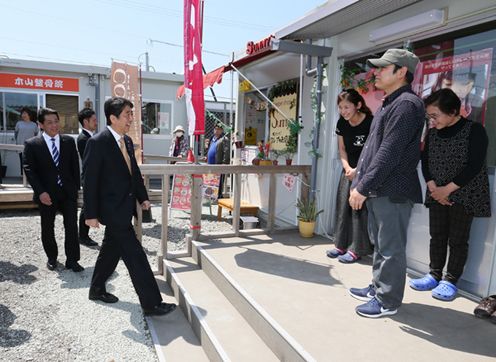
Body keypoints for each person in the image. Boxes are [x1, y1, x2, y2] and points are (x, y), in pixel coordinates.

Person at [348, 49, 425, 318]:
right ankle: (378, 287)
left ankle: (388, 301)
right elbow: (374, 148)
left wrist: (362, 186)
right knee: (381, 244)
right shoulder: (391, 102)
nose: (376, 72)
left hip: (393, 191)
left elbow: (389, 153)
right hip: (381, 189)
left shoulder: (406, 105)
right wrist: (361, 177)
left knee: (391, 247)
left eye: (383, 68)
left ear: (401, 72)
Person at [83, 97, 176, 316]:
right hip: (111, 210)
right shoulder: (98, 142)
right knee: (136, 256)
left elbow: (133, 172)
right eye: (127, 114)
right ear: (113, 118)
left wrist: (143, 197)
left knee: (110, 251)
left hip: (125, 207)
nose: (131, 119)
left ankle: (96, 289)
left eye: (131, 114)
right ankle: (151, 303)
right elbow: (89, 180)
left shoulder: (125, 141)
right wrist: (91, 214)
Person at [409, 88, 490, 301]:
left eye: (435, 115)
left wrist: (447, 189)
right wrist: (434, 187)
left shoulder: (475, 130)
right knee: (437, 236)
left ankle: (450, 280)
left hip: (464, 195)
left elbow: (474, 165)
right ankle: (434, 274)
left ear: (453, 111)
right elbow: (425, 161)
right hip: (436, 192)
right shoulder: (433, 133)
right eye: (430, 116)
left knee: (458, 240)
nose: (432, 120)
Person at [23, 108, 83, 272]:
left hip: (67, 192)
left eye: (56, 121)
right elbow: (29, 170)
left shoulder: (68, 141)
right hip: (46, 194)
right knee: (47, 227)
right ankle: (52, 257)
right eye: (49, 122)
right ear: (41, 124)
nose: (54, 125)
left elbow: (74, 167)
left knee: (71, 225)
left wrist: (76, 189)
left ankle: (72, 260)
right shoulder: (32, 144)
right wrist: (40, 191)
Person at [327, 89, 373, 264]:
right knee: (342, 207)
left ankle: (357, 249)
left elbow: (373, 152)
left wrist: (358, 170)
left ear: (358, 105)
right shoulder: (342, 123)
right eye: (340, 107)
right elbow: (342, 149)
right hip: (348, 170)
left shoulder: (371, 122)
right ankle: (340, 245)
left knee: (358, 210)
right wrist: (347, 167)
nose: (343, 111)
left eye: (347, 107)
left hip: (366, 172)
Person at [76, 108, 98, 247]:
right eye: (94, 120)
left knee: (88, 205)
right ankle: (82, 236)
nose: (96, 122)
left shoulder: (89, 137)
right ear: (86, 121)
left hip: (93, 176)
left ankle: (83, 235)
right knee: (87, 206)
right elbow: (91, 160)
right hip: (90, 177)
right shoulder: (84, 139)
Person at [207, 123, 230, 198]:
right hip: (210, 164)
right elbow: (210, 149)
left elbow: (226, 152)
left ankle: (219, 197)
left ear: (222, 130)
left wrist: (224, 163)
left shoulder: (224, 139)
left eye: (219, 129)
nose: (217, 130)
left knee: (219, 182)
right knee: (211, 182)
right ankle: (211, 197)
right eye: (216, 129)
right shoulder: (212, 138)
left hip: (218, 164)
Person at [15, 107, 38, 175]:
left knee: (30, 162)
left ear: (29, 114)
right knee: (22, 162)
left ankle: (30, 176)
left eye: (25, 113)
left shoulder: (34, 124)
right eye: (22, 113)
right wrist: (18, 142)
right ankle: (23, 177)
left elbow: (36, 135)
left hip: (30, 146)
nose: (23, 115)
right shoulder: (19, 123)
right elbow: (16, 134)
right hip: (20, 146)